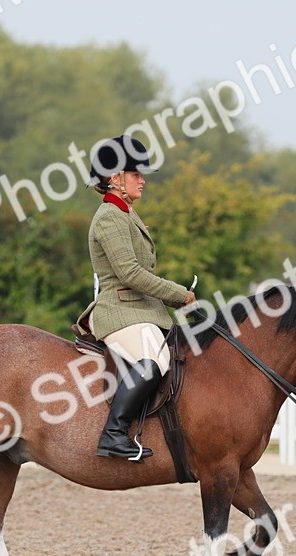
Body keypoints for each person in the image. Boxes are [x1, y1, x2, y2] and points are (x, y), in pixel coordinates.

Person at [77, 135, 196, 461]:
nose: (142, 180)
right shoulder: (109, 217)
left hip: (140, 311)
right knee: (155, 360)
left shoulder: (125, 213)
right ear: (115, 178)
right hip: (118, 311)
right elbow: (129, 273)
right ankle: (113, 435)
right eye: (135, 174)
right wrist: (178, 295)